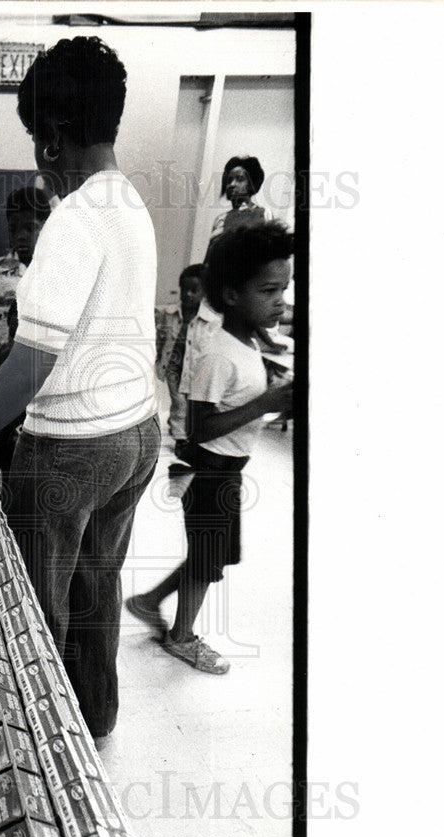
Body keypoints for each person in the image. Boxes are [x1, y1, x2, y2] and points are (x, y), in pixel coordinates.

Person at [0, 36, 160, 739]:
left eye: (35, 138)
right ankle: (95, 715)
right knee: (98, 584)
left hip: (72, 450)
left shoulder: (73, 222)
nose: (36, 155)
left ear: (53, 138)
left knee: (33, 602)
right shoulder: (131, 203)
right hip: (136, 434)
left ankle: (41, 748)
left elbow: (31, 366)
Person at [126, 221, 295, 673]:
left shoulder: (247, 341)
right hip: (207, 469)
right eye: (270, 290)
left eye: (285, 288)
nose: (281, 300)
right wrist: (268, 401)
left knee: (212, 554)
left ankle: (149, 601)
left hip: (227, 469)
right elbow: (200, 427)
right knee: (207, 558)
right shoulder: (217, 352)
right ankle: (181, 636)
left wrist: (268, 387)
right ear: (233, 295)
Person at [0, 186, 52, 380]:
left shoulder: (55, 271)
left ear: (46, 228)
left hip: (42, 371)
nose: (21, 235)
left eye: (30, 227)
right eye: (14, 228)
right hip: (3, 368)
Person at [154, 264, 206, 443]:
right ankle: (180, 438)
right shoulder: (169, 314)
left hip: (195, 369)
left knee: (190, 401)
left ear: (204, 292)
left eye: (194, 290)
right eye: (184, 290)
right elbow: (160, 336)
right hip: (174, 366)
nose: (188, 295)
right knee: (179, 402)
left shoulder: (210, 320)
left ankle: (179, 424)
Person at [207, 155, 272, 256]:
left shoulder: (264, 214)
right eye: (229, 180)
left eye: (240, 179)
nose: (232, 184)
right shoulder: (221, 219)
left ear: (251, 184)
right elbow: (209, 260)